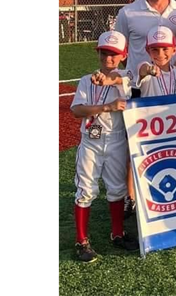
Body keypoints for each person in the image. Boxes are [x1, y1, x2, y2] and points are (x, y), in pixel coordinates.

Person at [70, 31, 139, 262]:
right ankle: (82, 240)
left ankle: (117, 233)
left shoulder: (126, 77)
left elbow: (129, 88)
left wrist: (111, 81)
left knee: (117, 188)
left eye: (114, 54)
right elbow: (76, 110)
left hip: (117, 138)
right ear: (97, 53)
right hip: (91, 139)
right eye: (104, 53)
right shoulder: (85, 80)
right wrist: (105, 107)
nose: (108, 58)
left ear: (123, 55)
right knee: (86, 189)